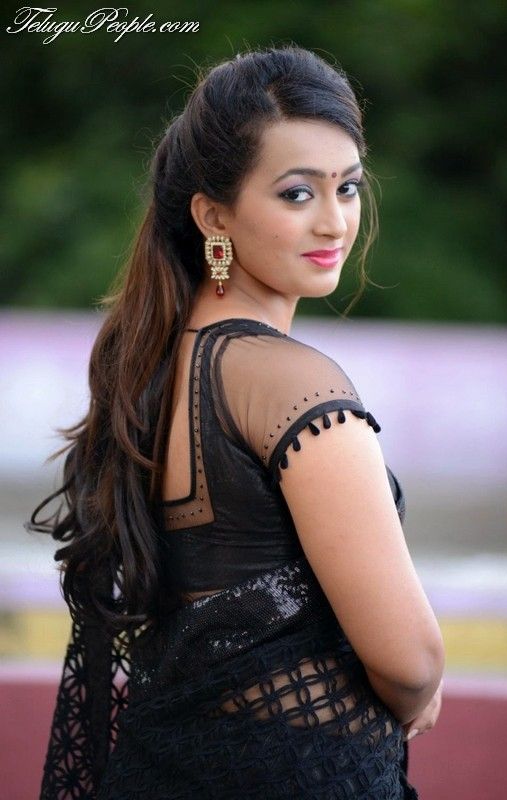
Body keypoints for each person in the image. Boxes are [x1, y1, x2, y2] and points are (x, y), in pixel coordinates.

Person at [28, 45, 444, 799]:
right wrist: (416, 695)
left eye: (348, 187)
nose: (334, 222)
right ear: (212, 215)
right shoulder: (290, 382)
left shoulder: (152, 363)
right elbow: (409, 659)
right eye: (296, 194)